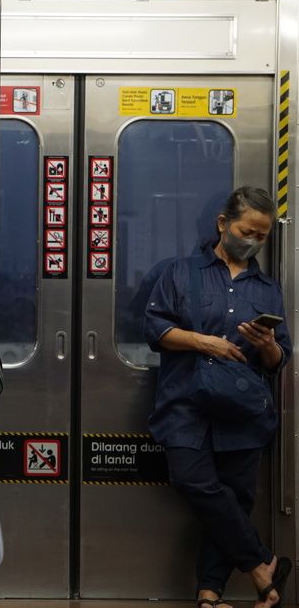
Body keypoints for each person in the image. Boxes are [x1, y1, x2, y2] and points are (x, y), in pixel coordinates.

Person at [144, 187, 292, 608]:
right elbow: (155, 330)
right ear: (223, 224)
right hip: (185, 404)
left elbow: (279, 357)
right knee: (194, 482)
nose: (253, 241)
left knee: (234, 499)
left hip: (242, 411)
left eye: (262, 237)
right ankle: (262, 562)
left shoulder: (266, 288)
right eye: (248, 231)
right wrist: (202, 342)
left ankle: (210, 593)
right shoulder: (180, 272)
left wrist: (265, 344)